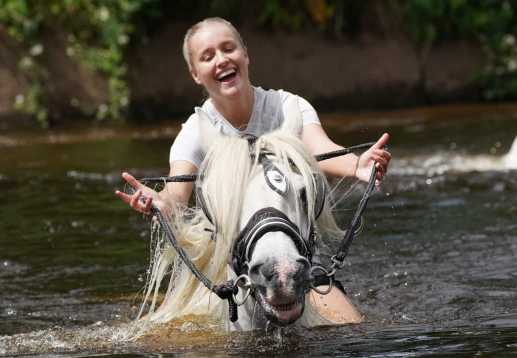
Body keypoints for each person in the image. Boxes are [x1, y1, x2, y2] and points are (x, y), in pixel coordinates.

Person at [116, 17, 391, 324]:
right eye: (208, 57)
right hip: (225, 266)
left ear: (245, 54)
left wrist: (356, 165)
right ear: (195, 74)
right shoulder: (195, 131)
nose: (221, 59)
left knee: (353, 328)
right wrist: (160, 204)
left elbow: (318, 149)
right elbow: (176, 197)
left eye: (228, 48)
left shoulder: (288, 106)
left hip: (296, 252)